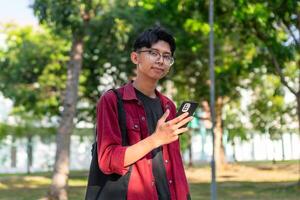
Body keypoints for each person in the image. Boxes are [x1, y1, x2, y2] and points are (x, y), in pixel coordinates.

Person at [97, 26, 193, 200]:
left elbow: (174, 163)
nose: (160, 60)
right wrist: (155, 139)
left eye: (166, 56)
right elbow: (108, 160)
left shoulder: (168, 106)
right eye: (153, 53)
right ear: (135, 57)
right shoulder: (112, 100)